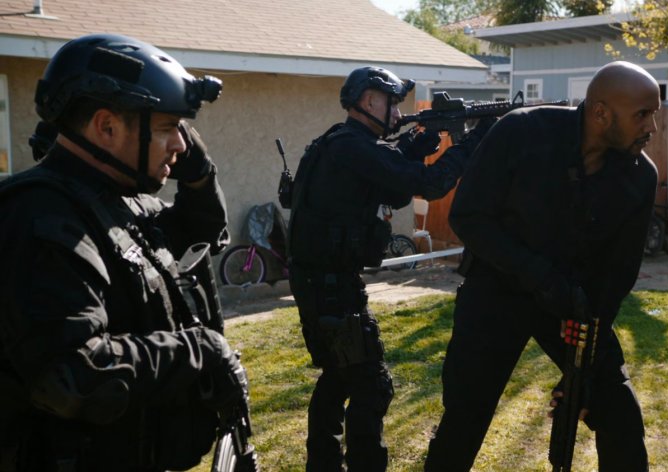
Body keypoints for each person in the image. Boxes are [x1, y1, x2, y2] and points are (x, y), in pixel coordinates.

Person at [0, 34, 249, 471]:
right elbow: (73, 374)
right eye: (168, 127)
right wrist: (199, 351)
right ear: (107, 127)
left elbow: (201, 234)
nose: (180, 144)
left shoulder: (119, 201)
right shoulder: (40, 218)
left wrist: (198, 174)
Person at [424, 61, 660, 471]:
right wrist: (538, 275)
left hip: (571, 305)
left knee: (618, 409)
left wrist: (583, 368)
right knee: (465, 416)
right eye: (642, 114)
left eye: (653, 114)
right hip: (495, 292)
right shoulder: (522, 132)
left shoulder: (640, 177)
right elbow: (468, 217)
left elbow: (616, 276)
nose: (651, 127)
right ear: (601, 113)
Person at [287, 66, 491, 471]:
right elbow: (430, 184)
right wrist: (472, 144)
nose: (398, 113)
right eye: (392, 104)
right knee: (371, 384)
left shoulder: (341, 142)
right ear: (368, 101)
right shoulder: (354, 147)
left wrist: (418, 146)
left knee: (338, 378)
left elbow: (392, 189)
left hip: (320, 281)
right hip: (331, 286)